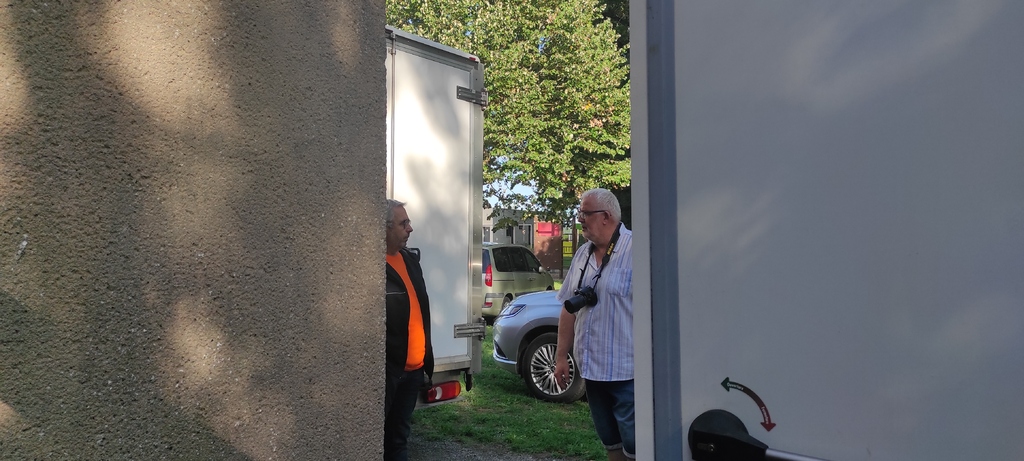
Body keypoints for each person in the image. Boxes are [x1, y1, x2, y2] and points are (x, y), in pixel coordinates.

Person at [554, 188, 634, 461]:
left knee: (637, 448)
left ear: (606, 216)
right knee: (611, 445)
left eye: (585, 213)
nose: (580, 219)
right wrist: (561, 357)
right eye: (580, 213)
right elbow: (568, 308)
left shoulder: (637, 250)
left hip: (628, 374)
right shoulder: (582, 255)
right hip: (592, 372)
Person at [384, 199, 434, 461]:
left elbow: (421, 311)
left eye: (409, 222)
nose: (410, 229)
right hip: (389, 373)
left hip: (414, 371)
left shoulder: (409, 260)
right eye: (403, 224)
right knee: (376, 438)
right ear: (385, 228)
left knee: (399, 440)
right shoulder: (372, 265)